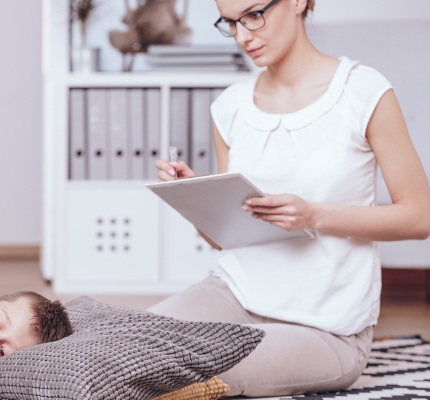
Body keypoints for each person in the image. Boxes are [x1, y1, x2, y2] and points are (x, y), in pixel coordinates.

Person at [152, 0, 430, 397]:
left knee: (186, 368)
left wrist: (313, 215)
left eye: (253, 15)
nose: (243, 36)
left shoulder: (363, 91)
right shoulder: (229, 106)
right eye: (230, 23)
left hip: (326, 330)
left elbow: (420, 217)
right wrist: (197, 197)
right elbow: (225, 239)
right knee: (128, 342)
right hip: (234, 294)